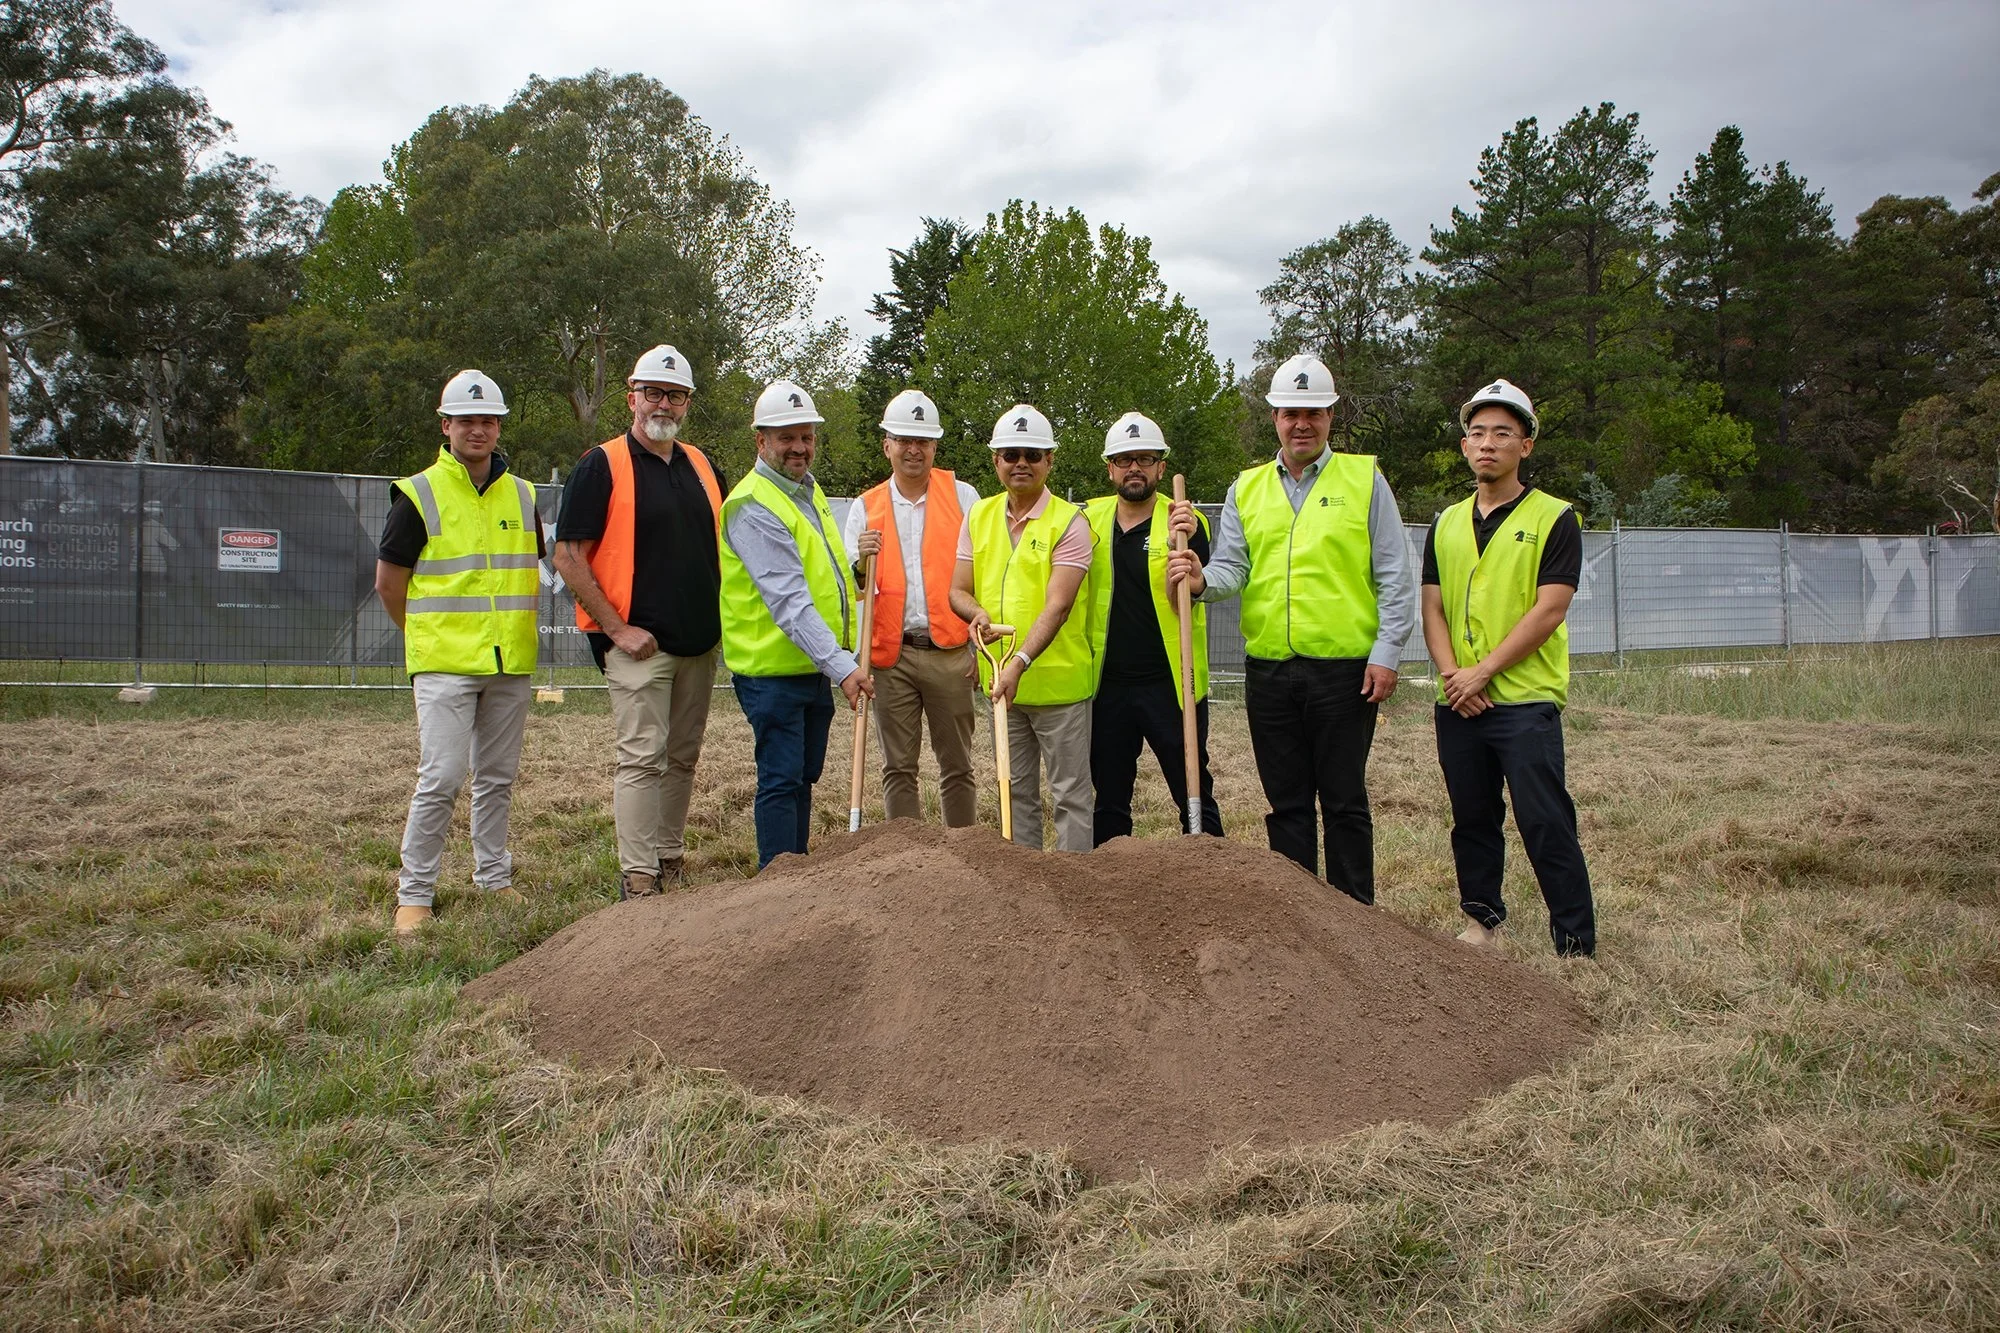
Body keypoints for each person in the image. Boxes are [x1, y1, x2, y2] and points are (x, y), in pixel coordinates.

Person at [1167, 354, 1417, 902]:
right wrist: (1200, 578)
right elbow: (1233, 568)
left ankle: (1354, 916)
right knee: (1286, 802)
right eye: (1289, 413)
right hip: (1271, 674)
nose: (1301, 423)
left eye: (1313, 412)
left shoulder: (1365, 481)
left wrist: (1387, 653)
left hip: (1344, 672)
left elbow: (1396, 576)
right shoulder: (1247, 488)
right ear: (1274, 417)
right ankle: (1302, 921)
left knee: (1345, 799)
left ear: (1330, 416)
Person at [1421, 378, 1596, 957]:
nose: (1487, 443)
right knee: (1472, 819)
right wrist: (1454, 678)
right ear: (1465, 447)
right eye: (1477, 433)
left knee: (1544, 820)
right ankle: (1481, 919)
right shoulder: (1446, 522)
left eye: (1503, 433)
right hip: (1460, 701)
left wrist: (1482, 672)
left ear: (1525, 445)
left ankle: (1574, 937)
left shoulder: (1554, 518)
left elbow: (1549, 609)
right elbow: (1433, 606)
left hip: (1523, 700)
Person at [552, 345, 724, 900]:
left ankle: (668, 856)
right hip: (638, 649)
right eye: (653, 392)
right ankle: (640, 876)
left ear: (687, 403)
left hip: (698, 644)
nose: (663, 403)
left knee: (681, 756)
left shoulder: (702, 465)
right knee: (642, 758)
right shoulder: (600, 464)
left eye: (674, 395)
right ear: (632, 397)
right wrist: (617, 629)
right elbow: (569, 557)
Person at [375, 369, 542, 936]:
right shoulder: (418, 494)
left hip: (509, 663)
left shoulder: (522, 494)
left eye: (488, 421)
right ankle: (414, 894)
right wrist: (424, 637)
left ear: (499, 429)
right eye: (467, 420)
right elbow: (389, 583)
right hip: (445, 665)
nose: (479, 429)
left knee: (496, 779)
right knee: (441, 778)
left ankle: (493, 878)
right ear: (446, 426)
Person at [720, 379, 869, 868]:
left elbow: (823, 580)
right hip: (772, 672)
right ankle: (777, 884)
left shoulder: (808, 492)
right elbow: (788, 601)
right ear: (760, 440)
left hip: (808, 668)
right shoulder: (753, 504)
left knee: (803, 775)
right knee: (782, 779)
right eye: (786, 438)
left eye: (806, 437)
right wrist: (843, 668)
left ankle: (795, 872)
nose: (799, 447)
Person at [949, 404, 1096, 852]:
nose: (1021, 464)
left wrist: (1020, 662)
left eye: (1032, 455)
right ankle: (1029, 895)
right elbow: (957, 590)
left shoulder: (1070, 522)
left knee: (1071, 795)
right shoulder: (978, 516)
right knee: (1016, 793)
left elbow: (1059, 605)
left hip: (1059, 688)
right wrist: (975, 615)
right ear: (995, 460)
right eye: (1010, 454)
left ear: (1050, 460)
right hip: (1003, 687)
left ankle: (1075, 892)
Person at [841, 388, 982, 826]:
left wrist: (978, 647)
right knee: (898, 768)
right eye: (904, 440)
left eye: (922, 441)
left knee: (957, 766)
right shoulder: (866, 507)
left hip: (950, 653)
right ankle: (905, 862)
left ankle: (962, 855)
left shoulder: (964, 498)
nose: (913, 449)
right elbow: (854, 589)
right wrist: (860, 563)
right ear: (887, 445)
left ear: (935, 446)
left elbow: (982, 577)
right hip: (891, 658)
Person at [1083, 411, 1221, 843]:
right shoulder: (1085, 520)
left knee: (1193, 789)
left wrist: (1189, 555)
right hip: (1107, 686)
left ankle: (1211, 874)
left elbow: (1193, 593)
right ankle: (1110, 878)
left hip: (1171, 683)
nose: (1134, 468)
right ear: (1110, 468)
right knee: (1108, 797)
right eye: (1124, 460)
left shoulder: (1184, 523)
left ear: (1161, 467)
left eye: (1145, 458)